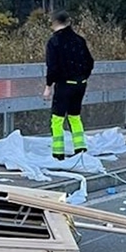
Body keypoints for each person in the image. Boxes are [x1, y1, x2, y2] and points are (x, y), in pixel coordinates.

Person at [41, 10, 94, 160]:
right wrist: (84, 77)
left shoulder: (54, 42)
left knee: (57, 119)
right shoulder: (79, 40)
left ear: (54, 23)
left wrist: (48, 86)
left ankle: (58, 154)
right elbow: (90, 62)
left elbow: (53, 67)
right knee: (75, 116)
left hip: (64, 85)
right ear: (68, 22)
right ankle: (80, 148)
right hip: (80, 84)